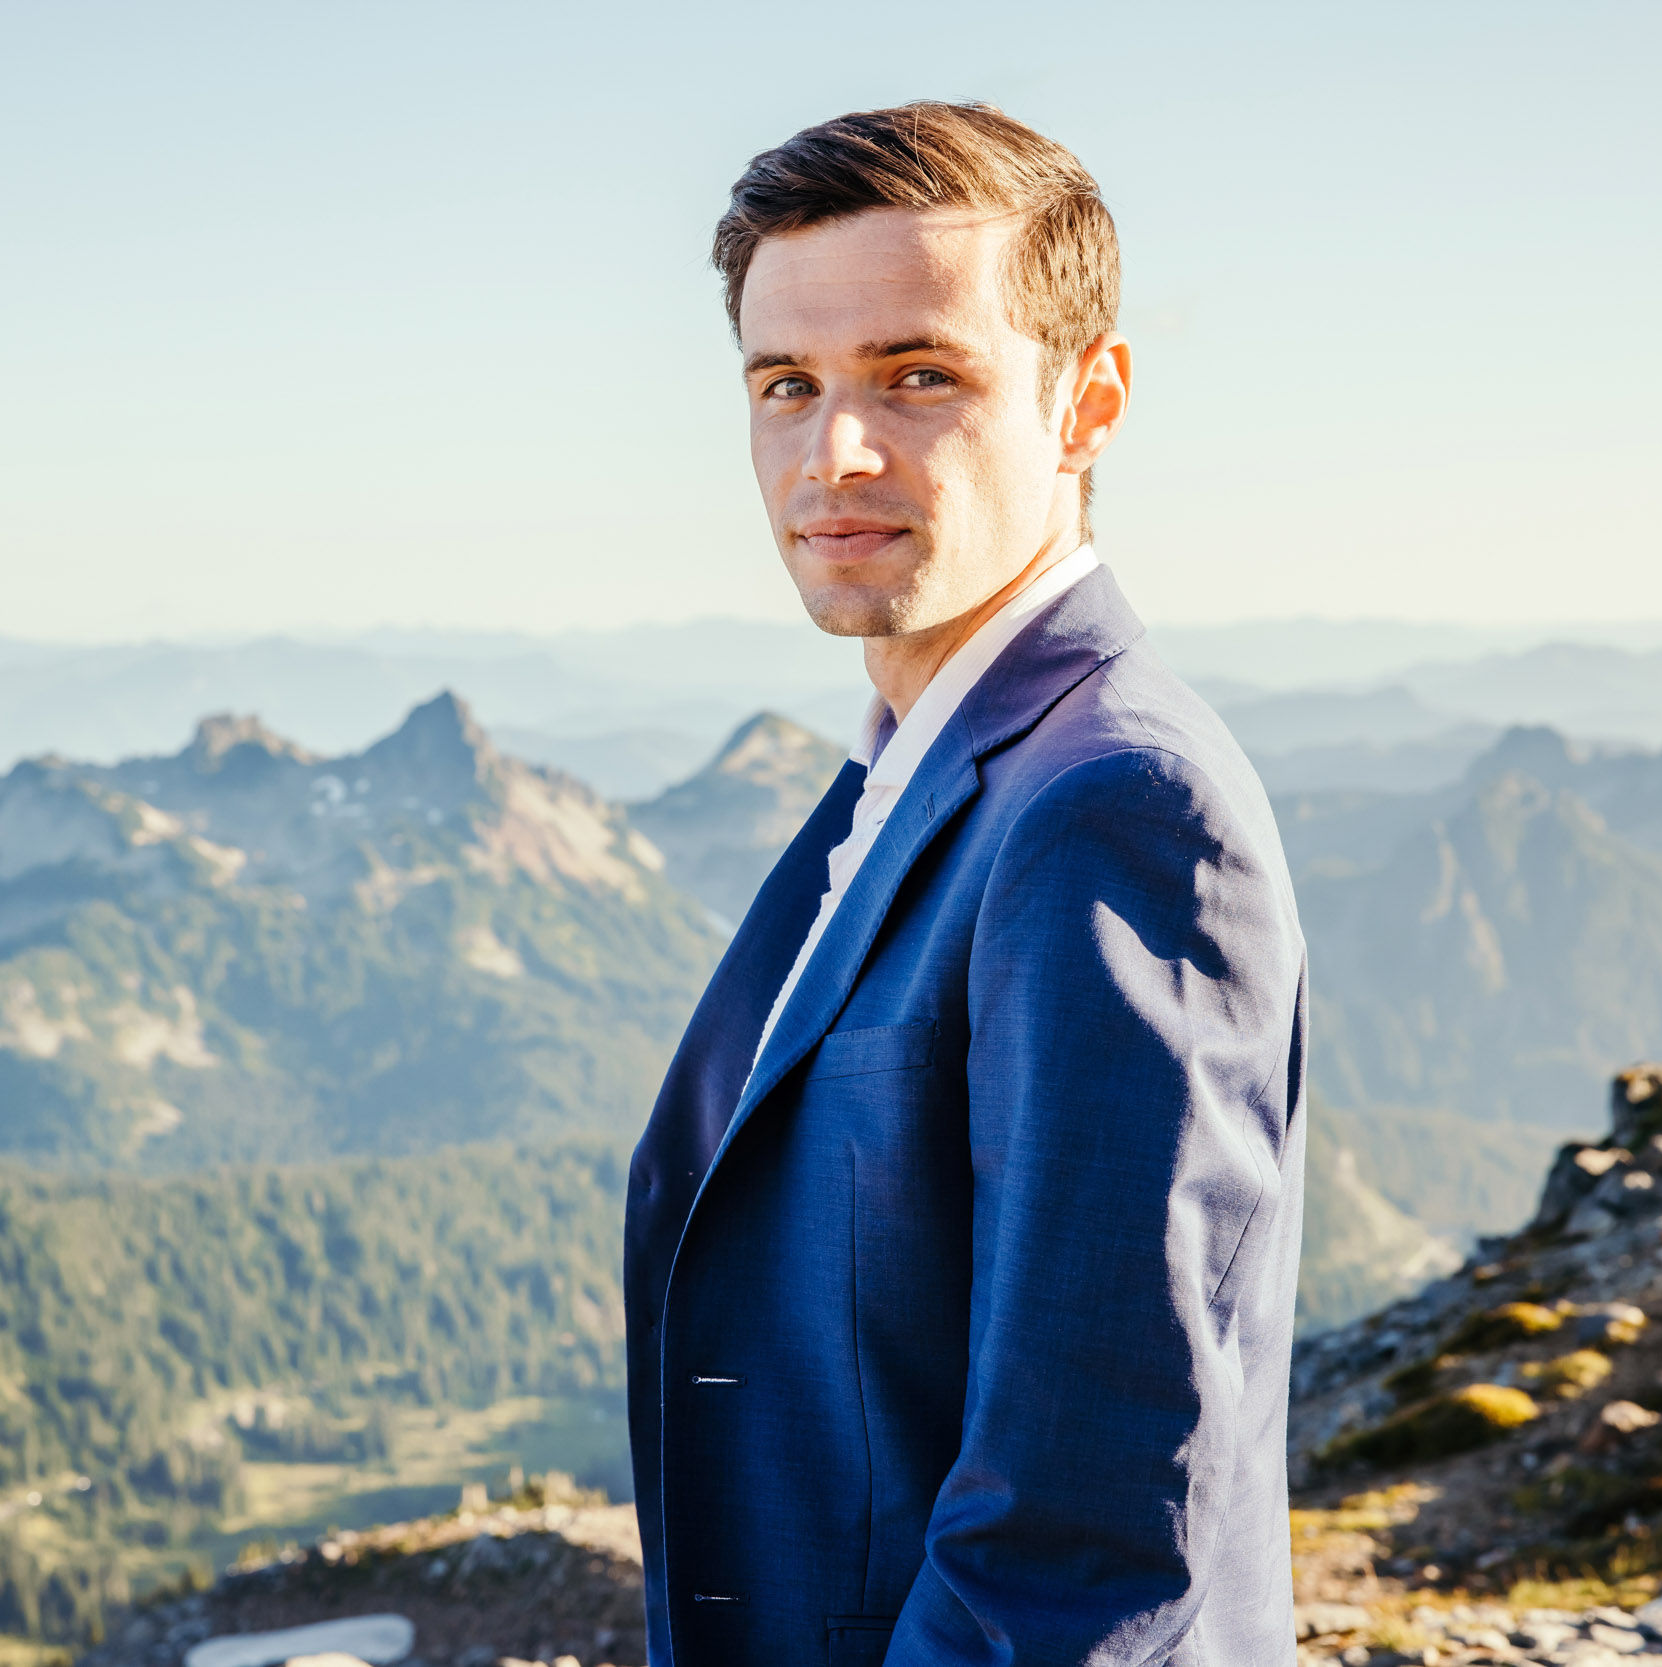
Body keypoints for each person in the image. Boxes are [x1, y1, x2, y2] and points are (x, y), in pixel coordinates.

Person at [622, 102, 1308, 1665]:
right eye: (786, 384)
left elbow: (1088, 1523)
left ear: (1090, 402)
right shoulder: (923, 767)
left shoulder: (1122, 806)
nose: (833, 451)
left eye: (918, 376)